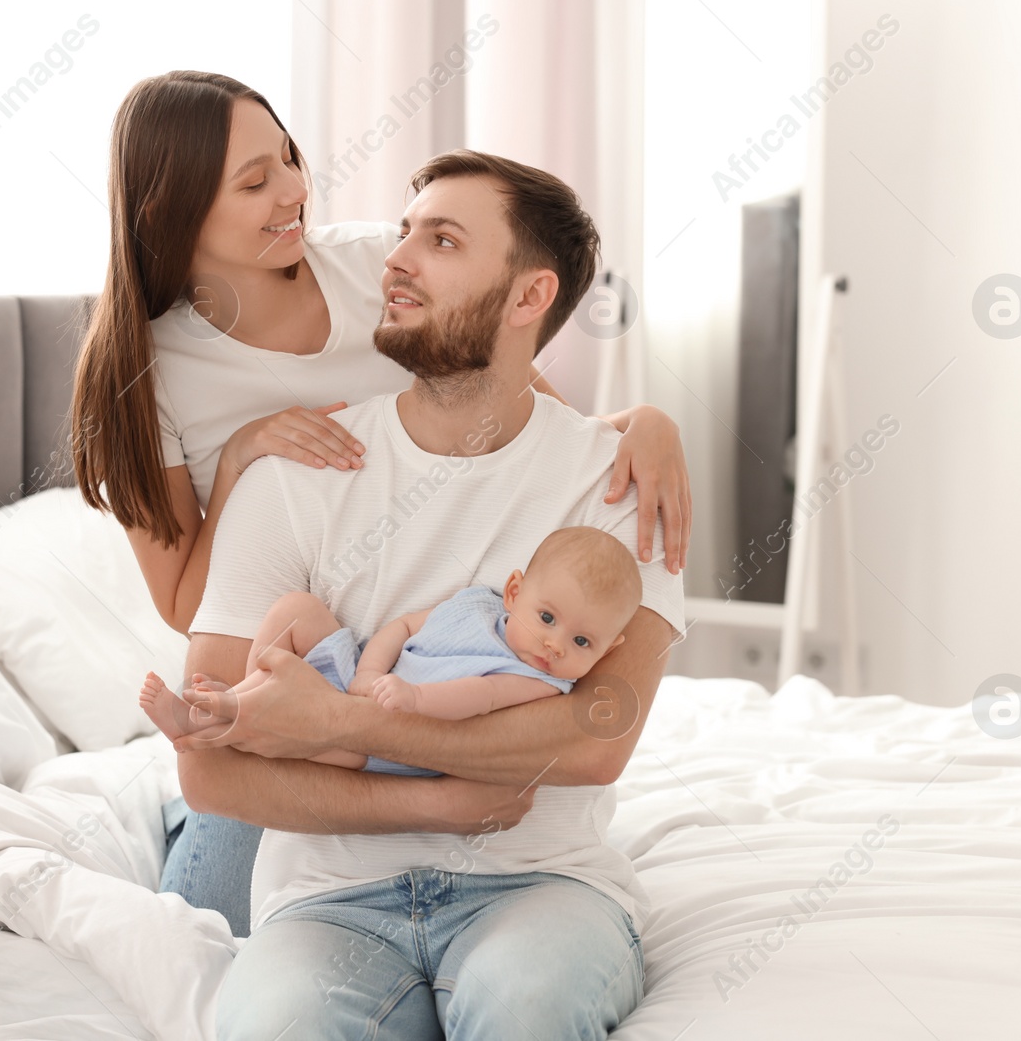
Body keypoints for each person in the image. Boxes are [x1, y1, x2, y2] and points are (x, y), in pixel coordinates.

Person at [69, 70, 694, 938]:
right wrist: (249, 452)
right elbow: (186, 607)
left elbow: (522, 405)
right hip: (294, 693)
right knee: (207, 928)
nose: (294, 190)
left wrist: (644, 422)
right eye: (254, 183)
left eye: (287, 156)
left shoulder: (376, 266)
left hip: (420, 671)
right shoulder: (141, 376)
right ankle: (170, 820)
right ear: (172, 213)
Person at [174, 149, 685, 1039]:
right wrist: (435, 794)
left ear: (530, 298)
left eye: (441, 240)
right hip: (328, 900)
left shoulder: (618, 481)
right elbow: (209, 762)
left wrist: (341, 724)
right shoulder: (296, 473)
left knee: (529, 1003)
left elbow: (597, 735)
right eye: (404, 233)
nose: (397, 259)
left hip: (541, 885)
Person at [139, 525, 642, 777]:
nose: (555, 646)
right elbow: (403, 625)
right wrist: (370, 671)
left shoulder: (540, 680)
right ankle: (250, 694)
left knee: (314, 745)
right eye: (547, 619)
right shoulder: (477, 605)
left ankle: (222, 718)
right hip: (365, 680)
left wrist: (414, 701)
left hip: (387, 741)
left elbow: (481, 697)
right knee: (297, 610)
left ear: (607, 650)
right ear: (514, 593)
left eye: (582, 642)